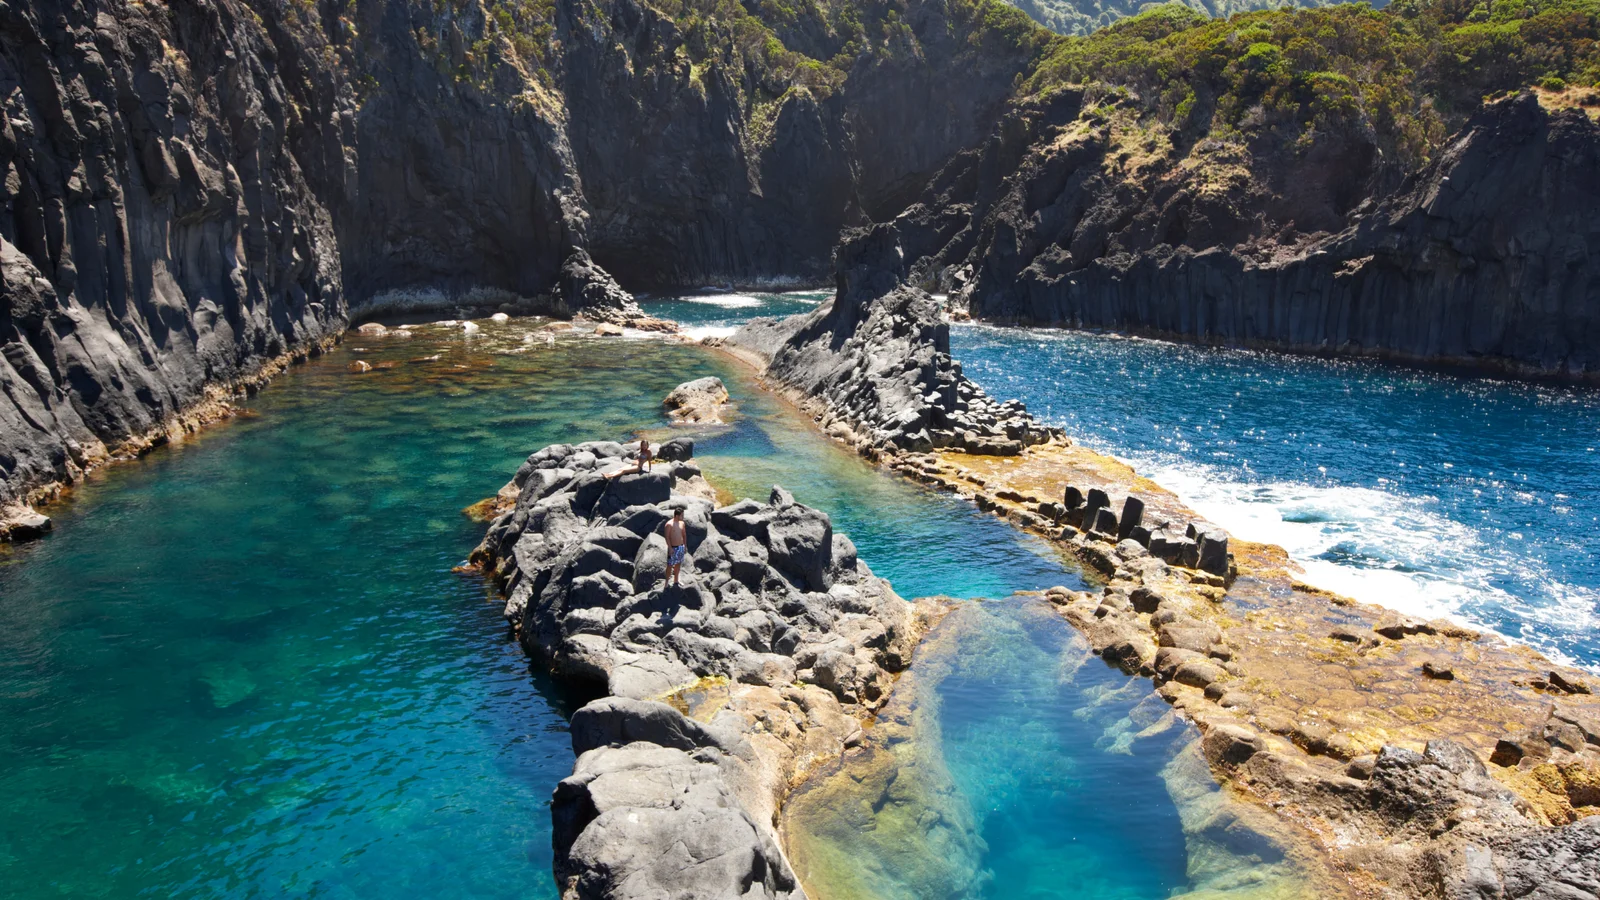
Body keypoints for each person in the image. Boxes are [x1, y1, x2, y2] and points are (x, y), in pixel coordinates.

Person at [663, 508, 688, 587]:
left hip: (680, 547)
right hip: (673, 548)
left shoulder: (682, 523)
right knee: (670, 565)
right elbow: (667, 537)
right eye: (682, 515)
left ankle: (676, 580)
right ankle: (666, 582)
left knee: (678, 564)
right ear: (677, 515)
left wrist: (684, 546)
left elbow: (684, 535)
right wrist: (670, 548)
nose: (683, 517)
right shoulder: (669, 524)